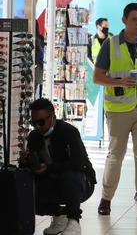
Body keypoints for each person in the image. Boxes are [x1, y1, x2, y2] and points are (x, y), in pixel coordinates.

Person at [94, 3, 137, 221]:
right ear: (124, 20)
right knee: (116, 155)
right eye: (135, 19)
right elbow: (97, 77)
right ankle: (106, 198)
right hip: (118, 110)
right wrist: (119, 81)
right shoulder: (110, 45)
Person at [24, 98, 96, 235]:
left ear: (52, 117)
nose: (38, 127)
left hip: (80, 183)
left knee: (71, 176)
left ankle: (74, 221)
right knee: (27, 187)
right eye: (34, 123)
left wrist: (49, 168)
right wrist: (28, 163)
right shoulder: (33, 137)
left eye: (41, 122)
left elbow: (78, 163)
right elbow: (34, 165)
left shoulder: (69, 132)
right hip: (52, 181)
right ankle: (59, 215)